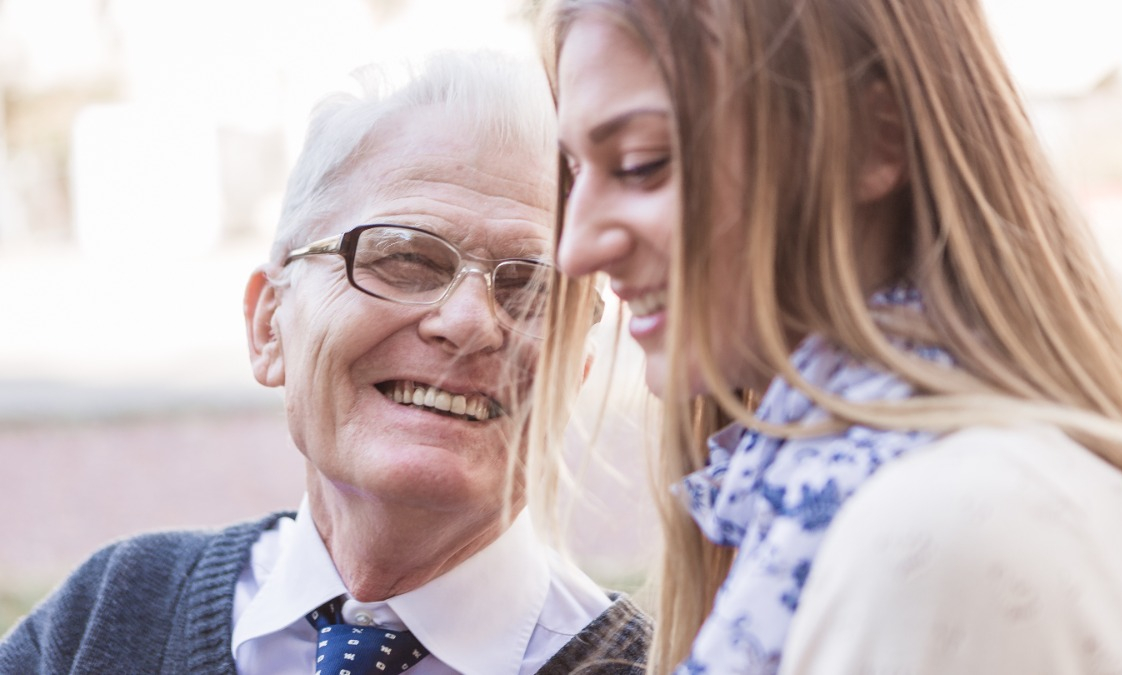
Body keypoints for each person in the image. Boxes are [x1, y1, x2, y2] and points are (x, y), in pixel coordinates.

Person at [536, 0, 1122, 673]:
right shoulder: (853, 486)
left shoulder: (939, 527)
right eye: (573, 172)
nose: (575, 247)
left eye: (643, 162)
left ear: (874, 138)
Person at [0, 51, 649, 674]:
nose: (470, 322)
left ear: (577, 374)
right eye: (406, 259)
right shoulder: (109, 616)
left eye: (531, 287)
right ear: (268, 325)